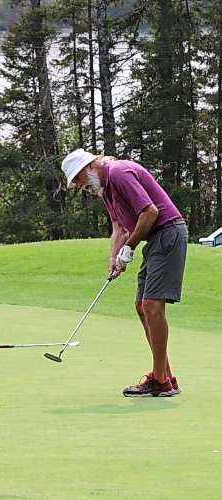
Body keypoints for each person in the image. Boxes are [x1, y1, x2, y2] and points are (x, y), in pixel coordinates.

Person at [61, 149, 188, 397]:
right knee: (142, 305)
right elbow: (119, 228)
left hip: (168, 233)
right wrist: (114, 257)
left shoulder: (119, 172)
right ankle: (166, 378)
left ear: (88, 168)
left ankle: (159, 380)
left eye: (77, 179)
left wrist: (129, 249)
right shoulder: (105, 190)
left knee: (152, 304)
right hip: (155, 240)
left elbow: (150, 212)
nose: (78, 185)